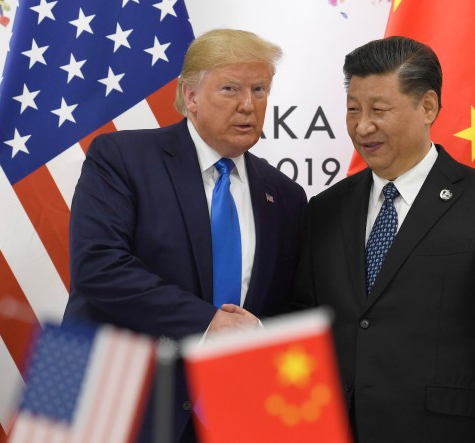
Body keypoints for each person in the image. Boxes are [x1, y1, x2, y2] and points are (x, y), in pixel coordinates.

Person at [289, 36, 475, 442]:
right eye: (353, 110)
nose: (362, 126)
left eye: (379, 110)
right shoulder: (326, 208)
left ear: (427, 107)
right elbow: (303, 331)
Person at [62, 29, 307, 443]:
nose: (249, 104)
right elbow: (97, 267)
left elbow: (286, 304)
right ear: (190, 96)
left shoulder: (285, 195)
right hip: (115, 400)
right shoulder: (121, 157)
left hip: (232, 412)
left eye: (260, 89)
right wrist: (208, 323)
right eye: (230, 88)